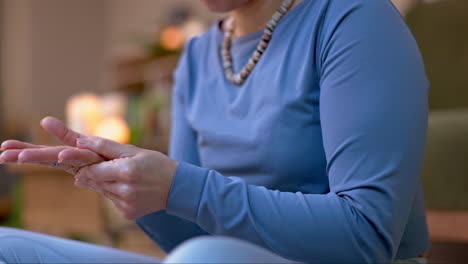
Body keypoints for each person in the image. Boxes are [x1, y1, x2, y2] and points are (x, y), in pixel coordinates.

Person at [0, 0, 430, 263]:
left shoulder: (354, 19)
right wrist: (131, 186)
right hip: (215, 258)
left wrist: (185, 187)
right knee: (7, 248)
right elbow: (191, 237)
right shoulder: (197, 55)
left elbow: (367, 239)